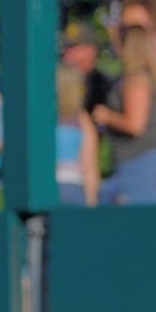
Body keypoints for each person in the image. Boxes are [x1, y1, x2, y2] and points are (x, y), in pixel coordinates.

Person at [95, 26, 156, 205]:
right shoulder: (154, 77)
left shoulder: (136, 80)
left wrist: (106, 115)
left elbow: (135, 125)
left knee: (141, 224)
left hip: (142, 162)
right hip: (153, 158)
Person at [56, 65, 100, 206]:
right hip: (73, 184)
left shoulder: (39, 118)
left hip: (42, 185)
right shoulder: (81, 120)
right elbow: (89, 165)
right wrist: (91, 201)